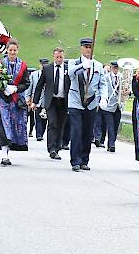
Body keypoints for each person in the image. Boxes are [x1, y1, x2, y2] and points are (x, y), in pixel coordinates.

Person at [66, 38, 108, 172]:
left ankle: (84, 160)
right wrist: (82, 66)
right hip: (75, 101)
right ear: (81, 48)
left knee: (87, 132)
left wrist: (104, 97)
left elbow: (103, 84)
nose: (88, 49)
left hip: (91, 102)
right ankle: (75, 161)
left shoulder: (98, 65)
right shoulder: (74, 62)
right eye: (86, 47)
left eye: (90, 47)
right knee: (76, 131)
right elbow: (70, 73)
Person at [0, 39, 30, 166]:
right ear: (6, 50)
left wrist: (16, 88)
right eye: (10, 50)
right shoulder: (0, 64)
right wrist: (4, 88)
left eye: (14, 50)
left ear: (18, 51)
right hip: (2, 99)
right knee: (3, 126)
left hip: (16, 100)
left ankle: (9, 150)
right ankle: (4, 155)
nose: (12, 52)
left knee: (14, 126)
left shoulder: (23, 65)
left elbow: (26, 83)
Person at [33, 48, 70, 160]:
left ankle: (57, 147)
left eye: (61, 57)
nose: (59, 59)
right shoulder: (47, 68)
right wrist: (35, 101)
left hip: (63, 100)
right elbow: (39, 85)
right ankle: (51, 148)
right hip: (51, 101)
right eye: (57, 57)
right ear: (53, 57)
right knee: (52, 123)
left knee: (60, 125)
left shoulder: (68, 69)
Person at [98, 61, 122, 152]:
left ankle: (112, 141)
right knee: (110, 125)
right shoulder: (106, 77)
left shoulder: (122, 77)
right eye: (114, 68)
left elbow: (126, 89)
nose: (115, 69)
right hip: (108, 105)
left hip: (118, 105)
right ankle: (111, 145)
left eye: (117, 68)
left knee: (116, 125)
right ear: (111, 68)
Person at [26, 58, 49, 141]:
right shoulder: (34, 74)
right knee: (37, 117)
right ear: (40, 65)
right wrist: (28, 97)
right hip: (37, 99)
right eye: (42, 65)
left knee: (44, 119)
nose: (43, 66)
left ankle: (41, 132)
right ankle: (38, 134)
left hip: (46, 100)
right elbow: (30, 86)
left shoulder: (50, 73)